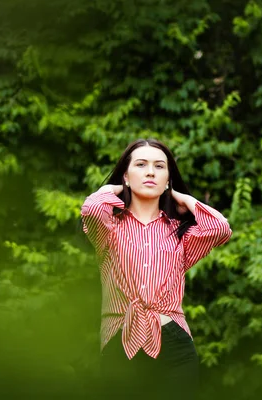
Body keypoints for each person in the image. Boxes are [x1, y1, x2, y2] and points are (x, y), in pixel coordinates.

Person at [81, 138, 232, 400]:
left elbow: (219, 228)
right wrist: (113, 188)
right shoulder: (109, 229)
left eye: (159, 166)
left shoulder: (179, 233)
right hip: (121, 341)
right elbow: (92, 209)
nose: (151, 171)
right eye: (141, 164)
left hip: (175, 345)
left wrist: (182, 197)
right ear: (127, 175)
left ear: (168, 179)